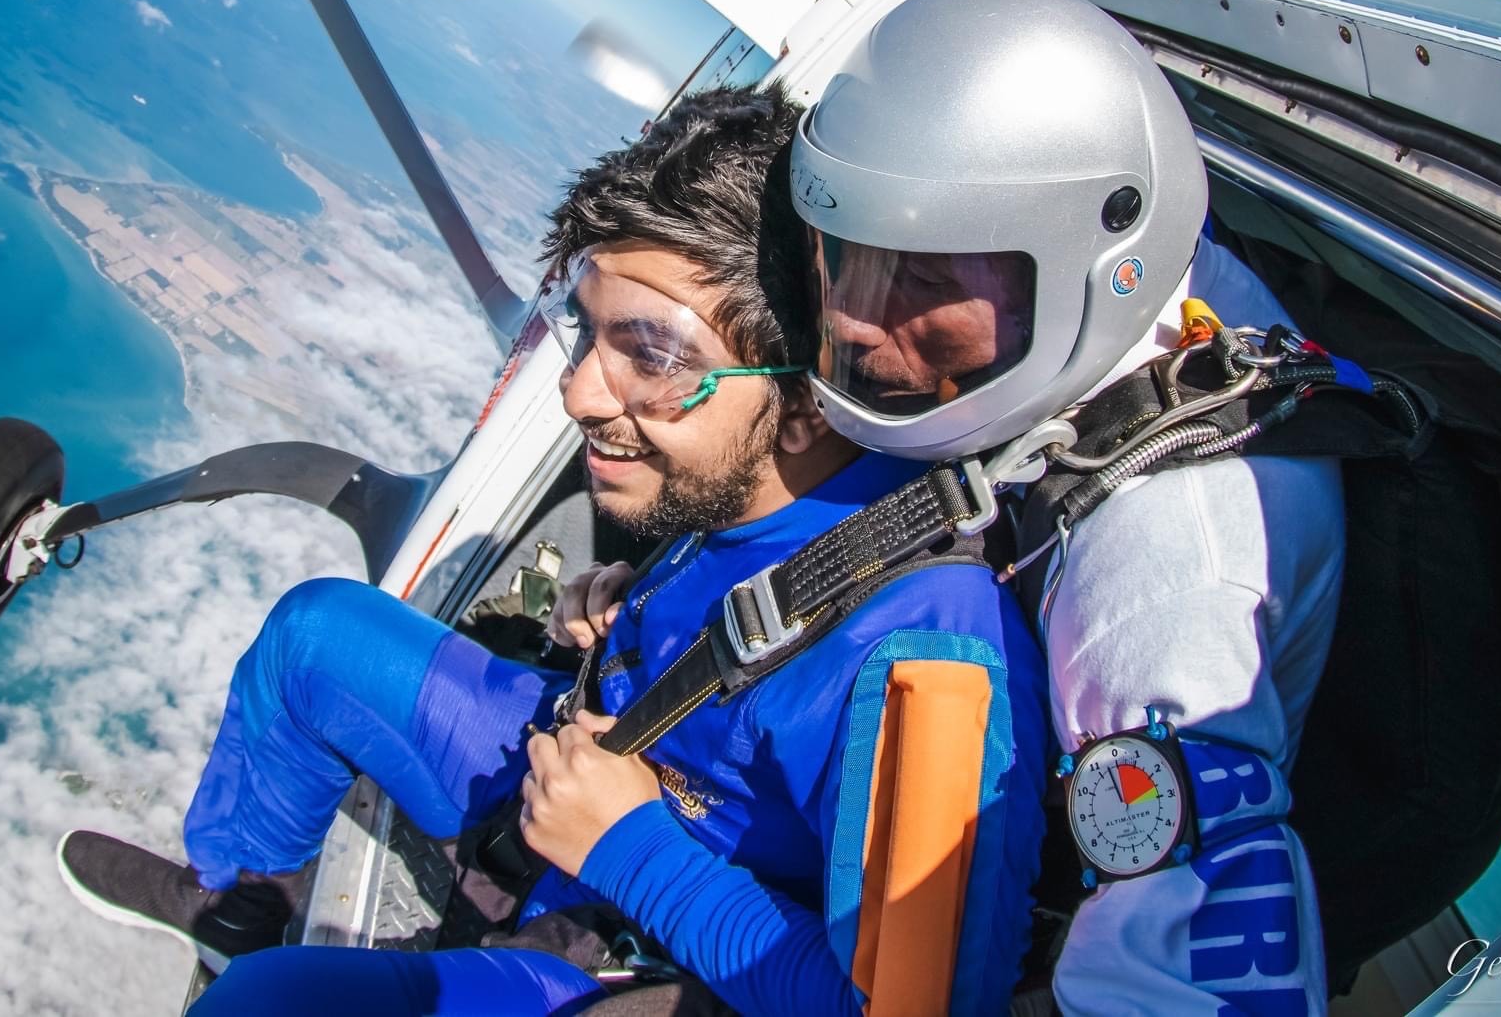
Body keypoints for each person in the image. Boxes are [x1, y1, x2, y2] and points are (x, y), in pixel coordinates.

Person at [58, 85, 1051, 1016]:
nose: (579, 393)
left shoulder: (925, 660)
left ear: (805, 402)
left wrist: (630, 849)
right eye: (589, 334)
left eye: (651, 356)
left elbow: (897, 1005)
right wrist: (636, 611)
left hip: (640, 931)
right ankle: (239, 910)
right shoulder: (762, 478)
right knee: (312, 635)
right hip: (590, 756)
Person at [789, 0, 1340, 1015]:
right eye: (849, 259)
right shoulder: (1162, 288)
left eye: (918, 279)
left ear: (1094, 268)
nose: (853, 322)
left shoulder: (1159, 583)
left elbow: (1193, 990)